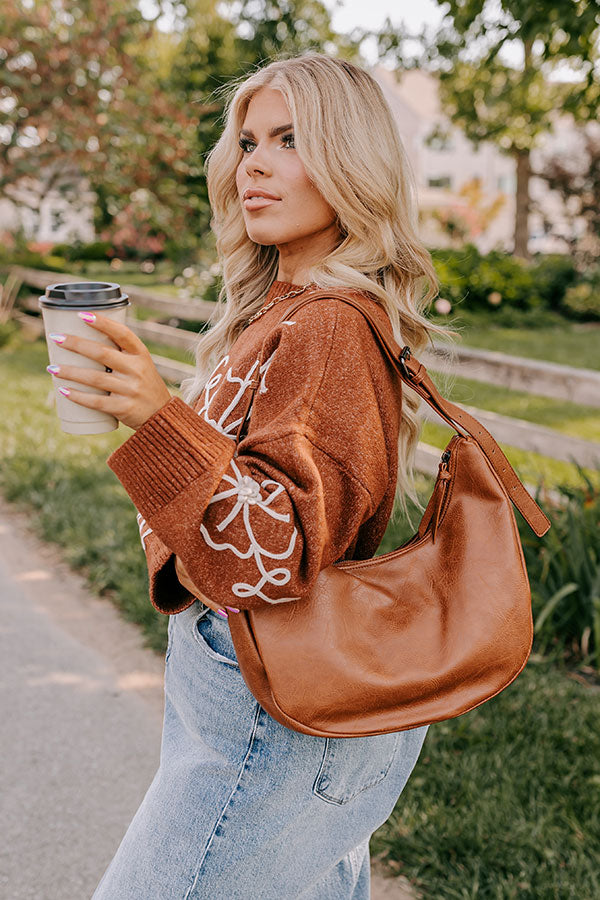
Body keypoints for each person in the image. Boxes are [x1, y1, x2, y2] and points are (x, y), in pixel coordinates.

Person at [48, 52, 454, 900]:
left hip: (275, 719)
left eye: (289, 140)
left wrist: (158, 420)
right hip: (261, 703)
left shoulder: (333, 326)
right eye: (244, 142)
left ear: (350, 160)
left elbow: (273, 558)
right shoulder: (280, 312)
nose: (252, 165)